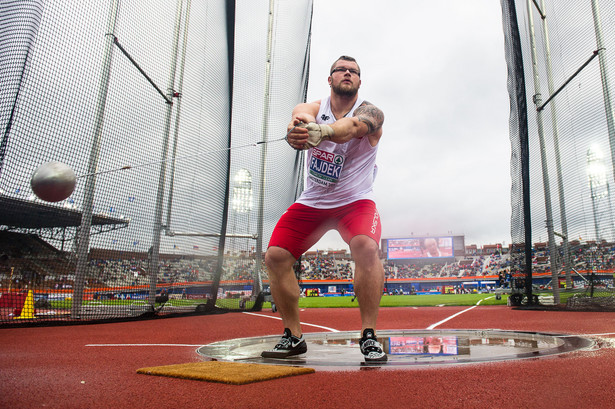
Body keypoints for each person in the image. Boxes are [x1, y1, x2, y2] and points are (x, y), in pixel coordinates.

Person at [261, 55, 387, 362]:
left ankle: (369, 335)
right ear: (329, 79)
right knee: (275, 257)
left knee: (365, 247)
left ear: (359, 81)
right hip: (314, 201)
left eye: (354, 71)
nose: (347, 73)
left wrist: (326, 132)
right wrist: (297, 131)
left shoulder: (372, 113)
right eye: (341, 70)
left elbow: (355, 126)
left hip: (355, 200)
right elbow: (299, 117)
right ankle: (293, 336)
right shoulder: (314, 109)